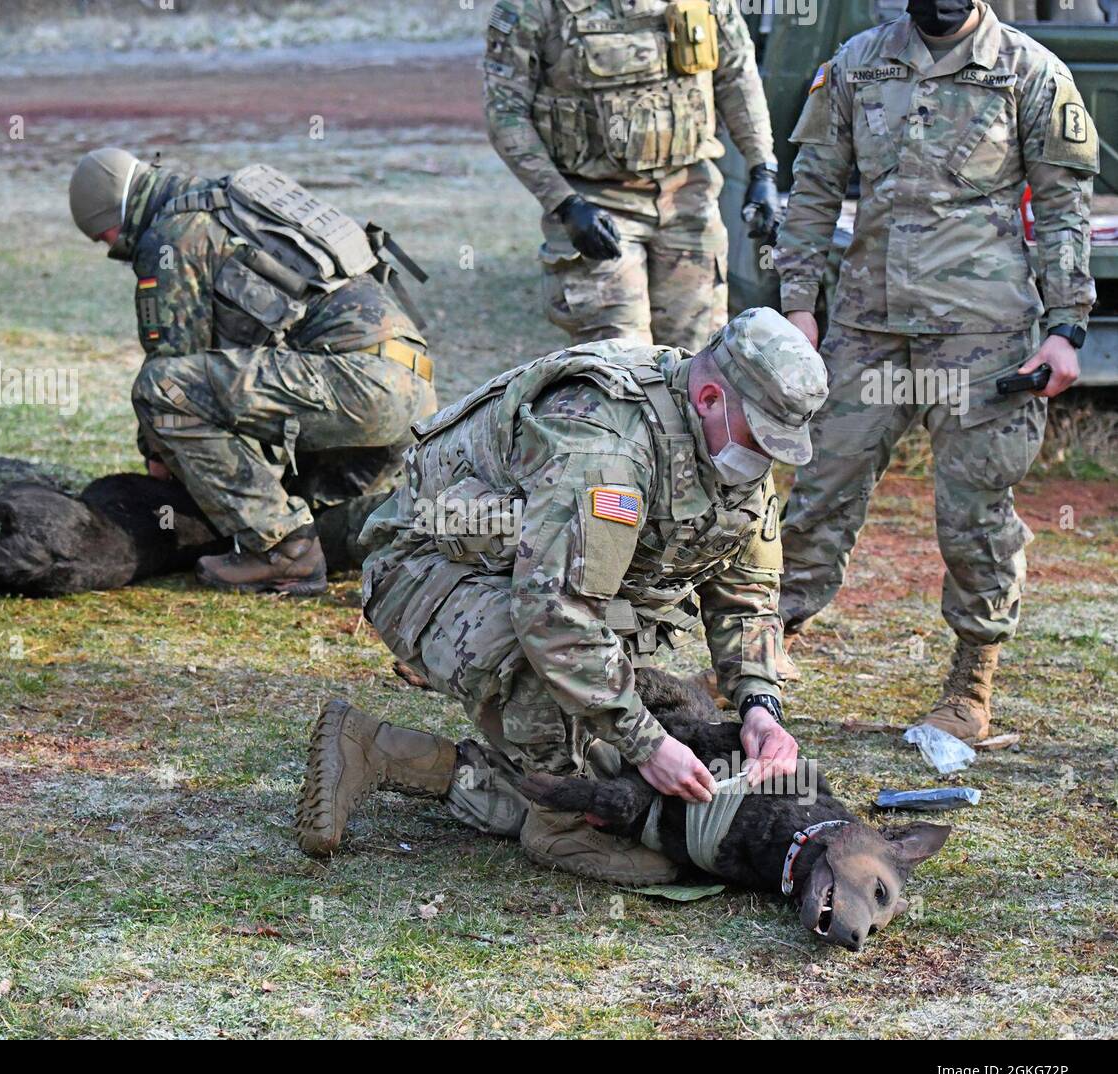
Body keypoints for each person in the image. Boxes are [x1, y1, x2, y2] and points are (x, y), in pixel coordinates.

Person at [295, 308, 828, 884]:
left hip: (551, 592)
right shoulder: (605, 446)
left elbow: (747, 593)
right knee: (596, 728)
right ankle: (559, 824)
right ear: (707, 397)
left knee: (618, 764)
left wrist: (759, 706)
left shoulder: (730, 444)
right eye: (760, 438)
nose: (766, 460)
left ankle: (379, 748)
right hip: (433, 574)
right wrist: (649, 745)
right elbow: (555, 615)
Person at [774, 0, 1098, 740]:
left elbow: (1062, 209)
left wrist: (1065, 326)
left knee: (975, 509)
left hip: (983, 337)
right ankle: (765, 652)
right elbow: (815, 189)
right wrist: (799, 304)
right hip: (868, 327)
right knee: (820, 486)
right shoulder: (857, 64)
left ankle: (971, 684)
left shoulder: (1030, 72)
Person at [69, 150, 438, 595]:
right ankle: (428, 530)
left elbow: (173, 363)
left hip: (354, 387)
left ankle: (283, 553)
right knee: (324, 521)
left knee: (161, 389)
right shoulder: (235, 204)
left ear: (116, 212)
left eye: (102, 235)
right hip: (411, 389)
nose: (109, 246)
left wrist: (158, 453)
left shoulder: (173, 233)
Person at [482, 0, 780, 352]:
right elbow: (505, 112)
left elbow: (737, 74)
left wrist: (762, 168)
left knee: (697, 360)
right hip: (597, 208)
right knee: (621, 365)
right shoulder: (536, 7)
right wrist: (564, 203)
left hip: (689, 199)